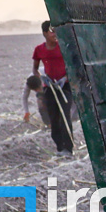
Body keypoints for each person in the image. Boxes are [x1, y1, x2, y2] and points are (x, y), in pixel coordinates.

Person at [32, 21, 74, 155]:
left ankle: (69, 148)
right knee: (53, 118)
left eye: (56, 31)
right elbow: (35, 69)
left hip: (64, 86)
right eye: (51, 31)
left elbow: (72, 66)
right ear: (44, 33)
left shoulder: (63, 47)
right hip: (49, 87)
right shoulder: (39, 49)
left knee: (65, 115)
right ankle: (60, 148)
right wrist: (42, 77)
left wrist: (65, 79)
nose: (55, 34)